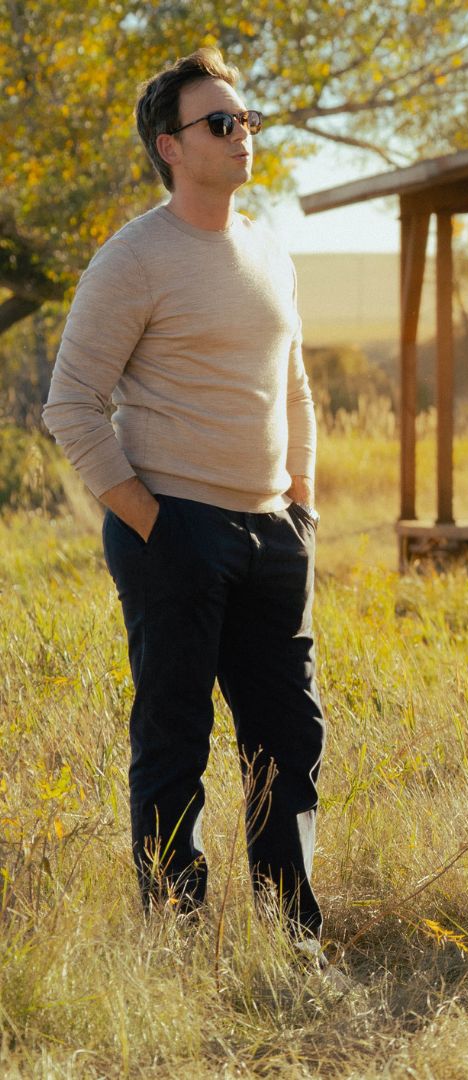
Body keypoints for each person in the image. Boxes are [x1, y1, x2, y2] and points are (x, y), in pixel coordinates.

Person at [43, 48, 326, 945]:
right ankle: (178, 940)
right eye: (221, 123)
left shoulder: (268, 250)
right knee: (175, 744)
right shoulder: (133, 258)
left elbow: (295, 386)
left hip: (274, 533)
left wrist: (302, 505)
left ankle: (291, 939)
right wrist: (154, 522)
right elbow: (71, 405)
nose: (243, 135)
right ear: (171, 147)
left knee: (291, 742)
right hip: (175, 529)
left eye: (247, 120)